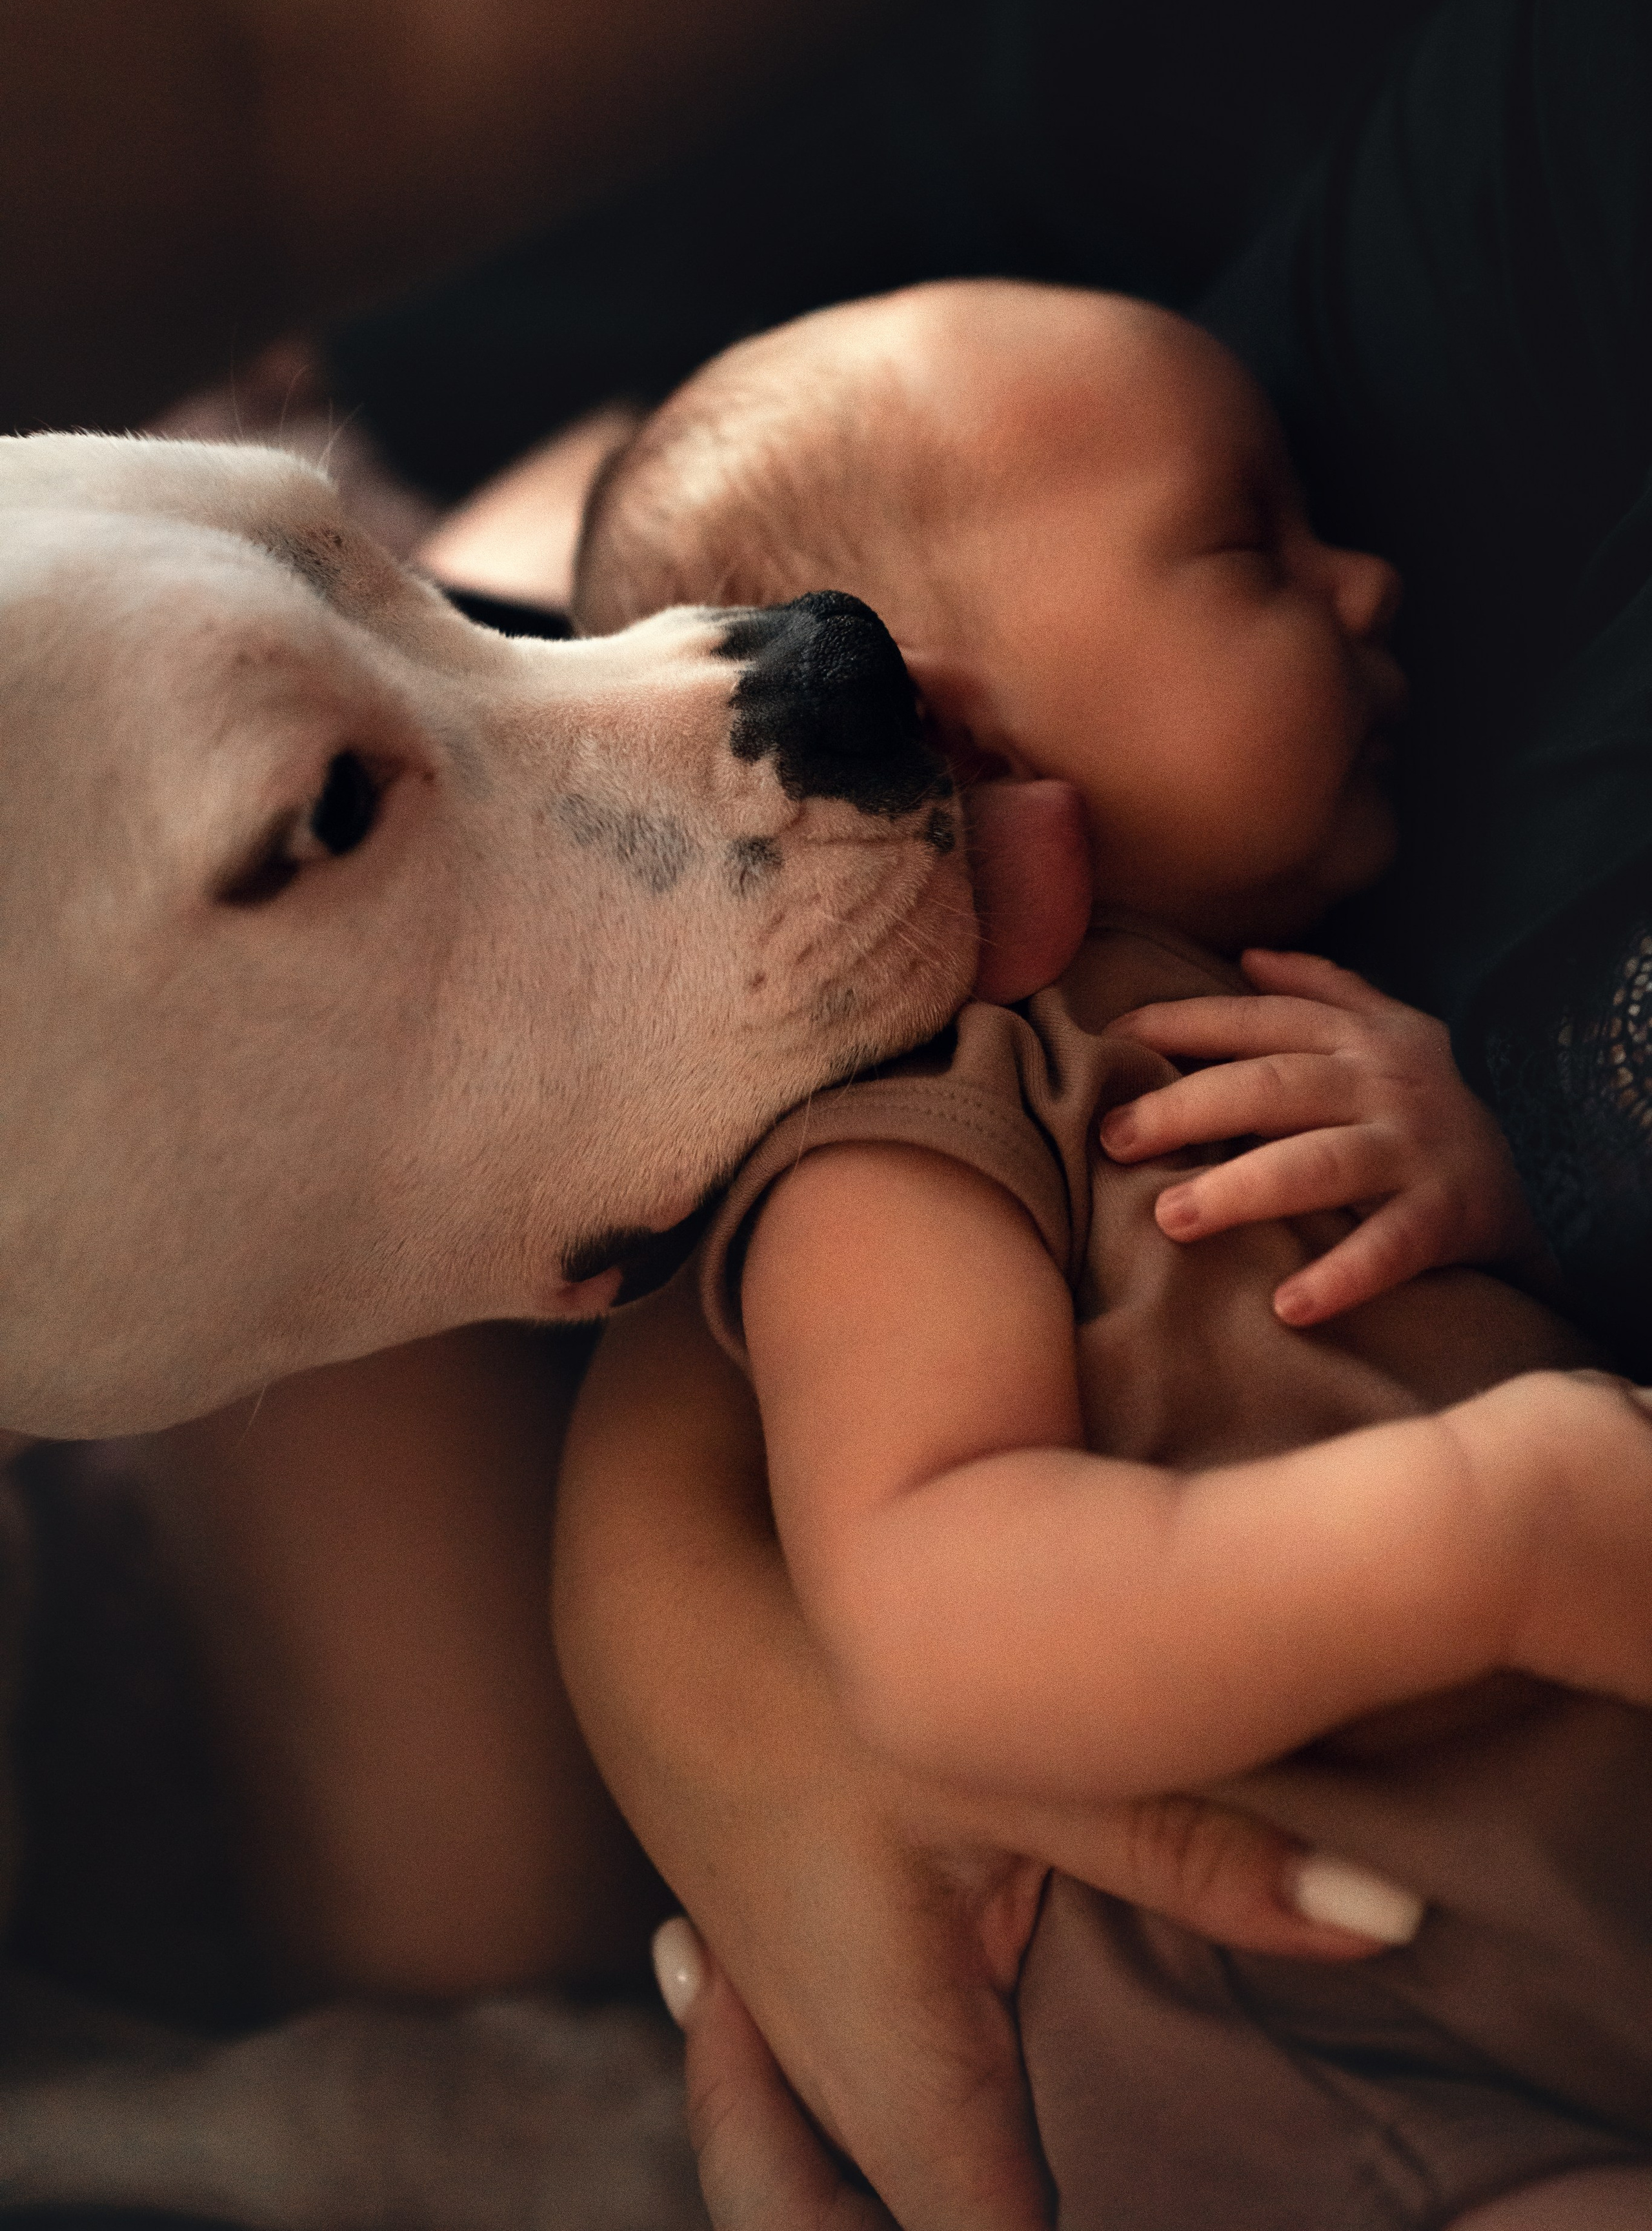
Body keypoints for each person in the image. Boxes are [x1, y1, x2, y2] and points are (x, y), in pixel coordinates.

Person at [563, 272, 1652, 2226]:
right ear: (951, 744)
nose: (1372, 582)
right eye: (1252, 544)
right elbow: (942, 1614)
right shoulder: (906, 1118)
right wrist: (1494, 1532)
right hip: (1353, 2067)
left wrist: (1487, 1179)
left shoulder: (1295, 1014)